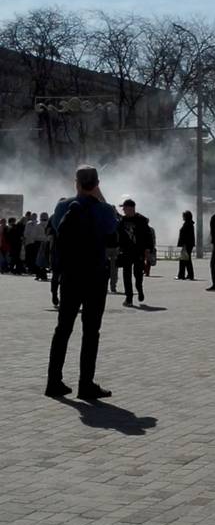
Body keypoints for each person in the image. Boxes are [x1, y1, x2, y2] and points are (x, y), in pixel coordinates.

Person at [44, 165, 118, 400]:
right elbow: (112, 232)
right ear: (97, 184)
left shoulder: (63, 206)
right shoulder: (105, 210)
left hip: (70, 275)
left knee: (63, 329)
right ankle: (85, 385)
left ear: (75, 182)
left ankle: (53, 381)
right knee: (91, 331)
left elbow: (56, 229)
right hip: (95, 275)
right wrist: (100, 196)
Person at [118, 199, 152, 306]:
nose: (123, 209)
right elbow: (118, 235)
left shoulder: (141, 220)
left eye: (124, 207)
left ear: (130, 208)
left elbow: (148, 236)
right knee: (126, 275)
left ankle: (140, 290)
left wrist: (148, 249)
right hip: (126, 252)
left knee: (138, 274)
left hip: (139, 252)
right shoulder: (122, 221)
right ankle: (129, 298)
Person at [177, 210, 196, 280]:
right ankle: (189, 275)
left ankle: (181, 275)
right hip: (188, 244)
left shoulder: (187, 224)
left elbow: (186, 235)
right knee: (187, 260)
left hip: (186, 244)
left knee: (183, 260)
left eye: (183, 216)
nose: (183, 217)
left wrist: (183, 244)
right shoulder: (189, 224)